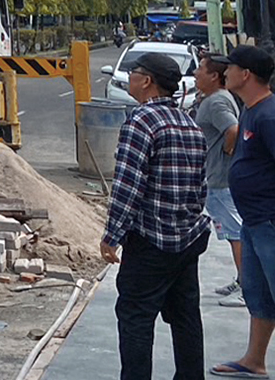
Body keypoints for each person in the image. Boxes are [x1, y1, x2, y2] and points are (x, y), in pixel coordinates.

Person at [100, 51, 210, 380]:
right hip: (187, 240)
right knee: (186, 316)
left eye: (133, 74)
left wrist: (112, 236)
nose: (129, 78)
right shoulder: (190, 125)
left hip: (150, 242)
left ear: (146, 81)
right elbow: (199, 189)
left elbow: (128, 187)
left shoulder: (141, 121)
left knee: (135, 318)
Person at [211, 44, 275, 378]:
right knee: (259, 294)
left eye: (230, 67)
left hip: (269, 220)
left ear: (245, 74)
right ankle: (255, 360)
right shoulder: (251, 109)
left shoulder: (268, 114)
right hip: (253, 220)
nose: (225, 73)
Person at [197, 53, 247, 308]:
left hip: (221, 180)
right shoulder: (214, 99)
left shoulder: (216, 102)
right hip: (217, 179)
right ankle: (242, 280)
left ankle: (249, 288)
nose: (196, 73)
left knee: (237, 234)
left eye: (200, 69)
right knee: (231, 234)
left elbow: (234, 130)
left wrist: (228, 150)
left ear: (214, 76)